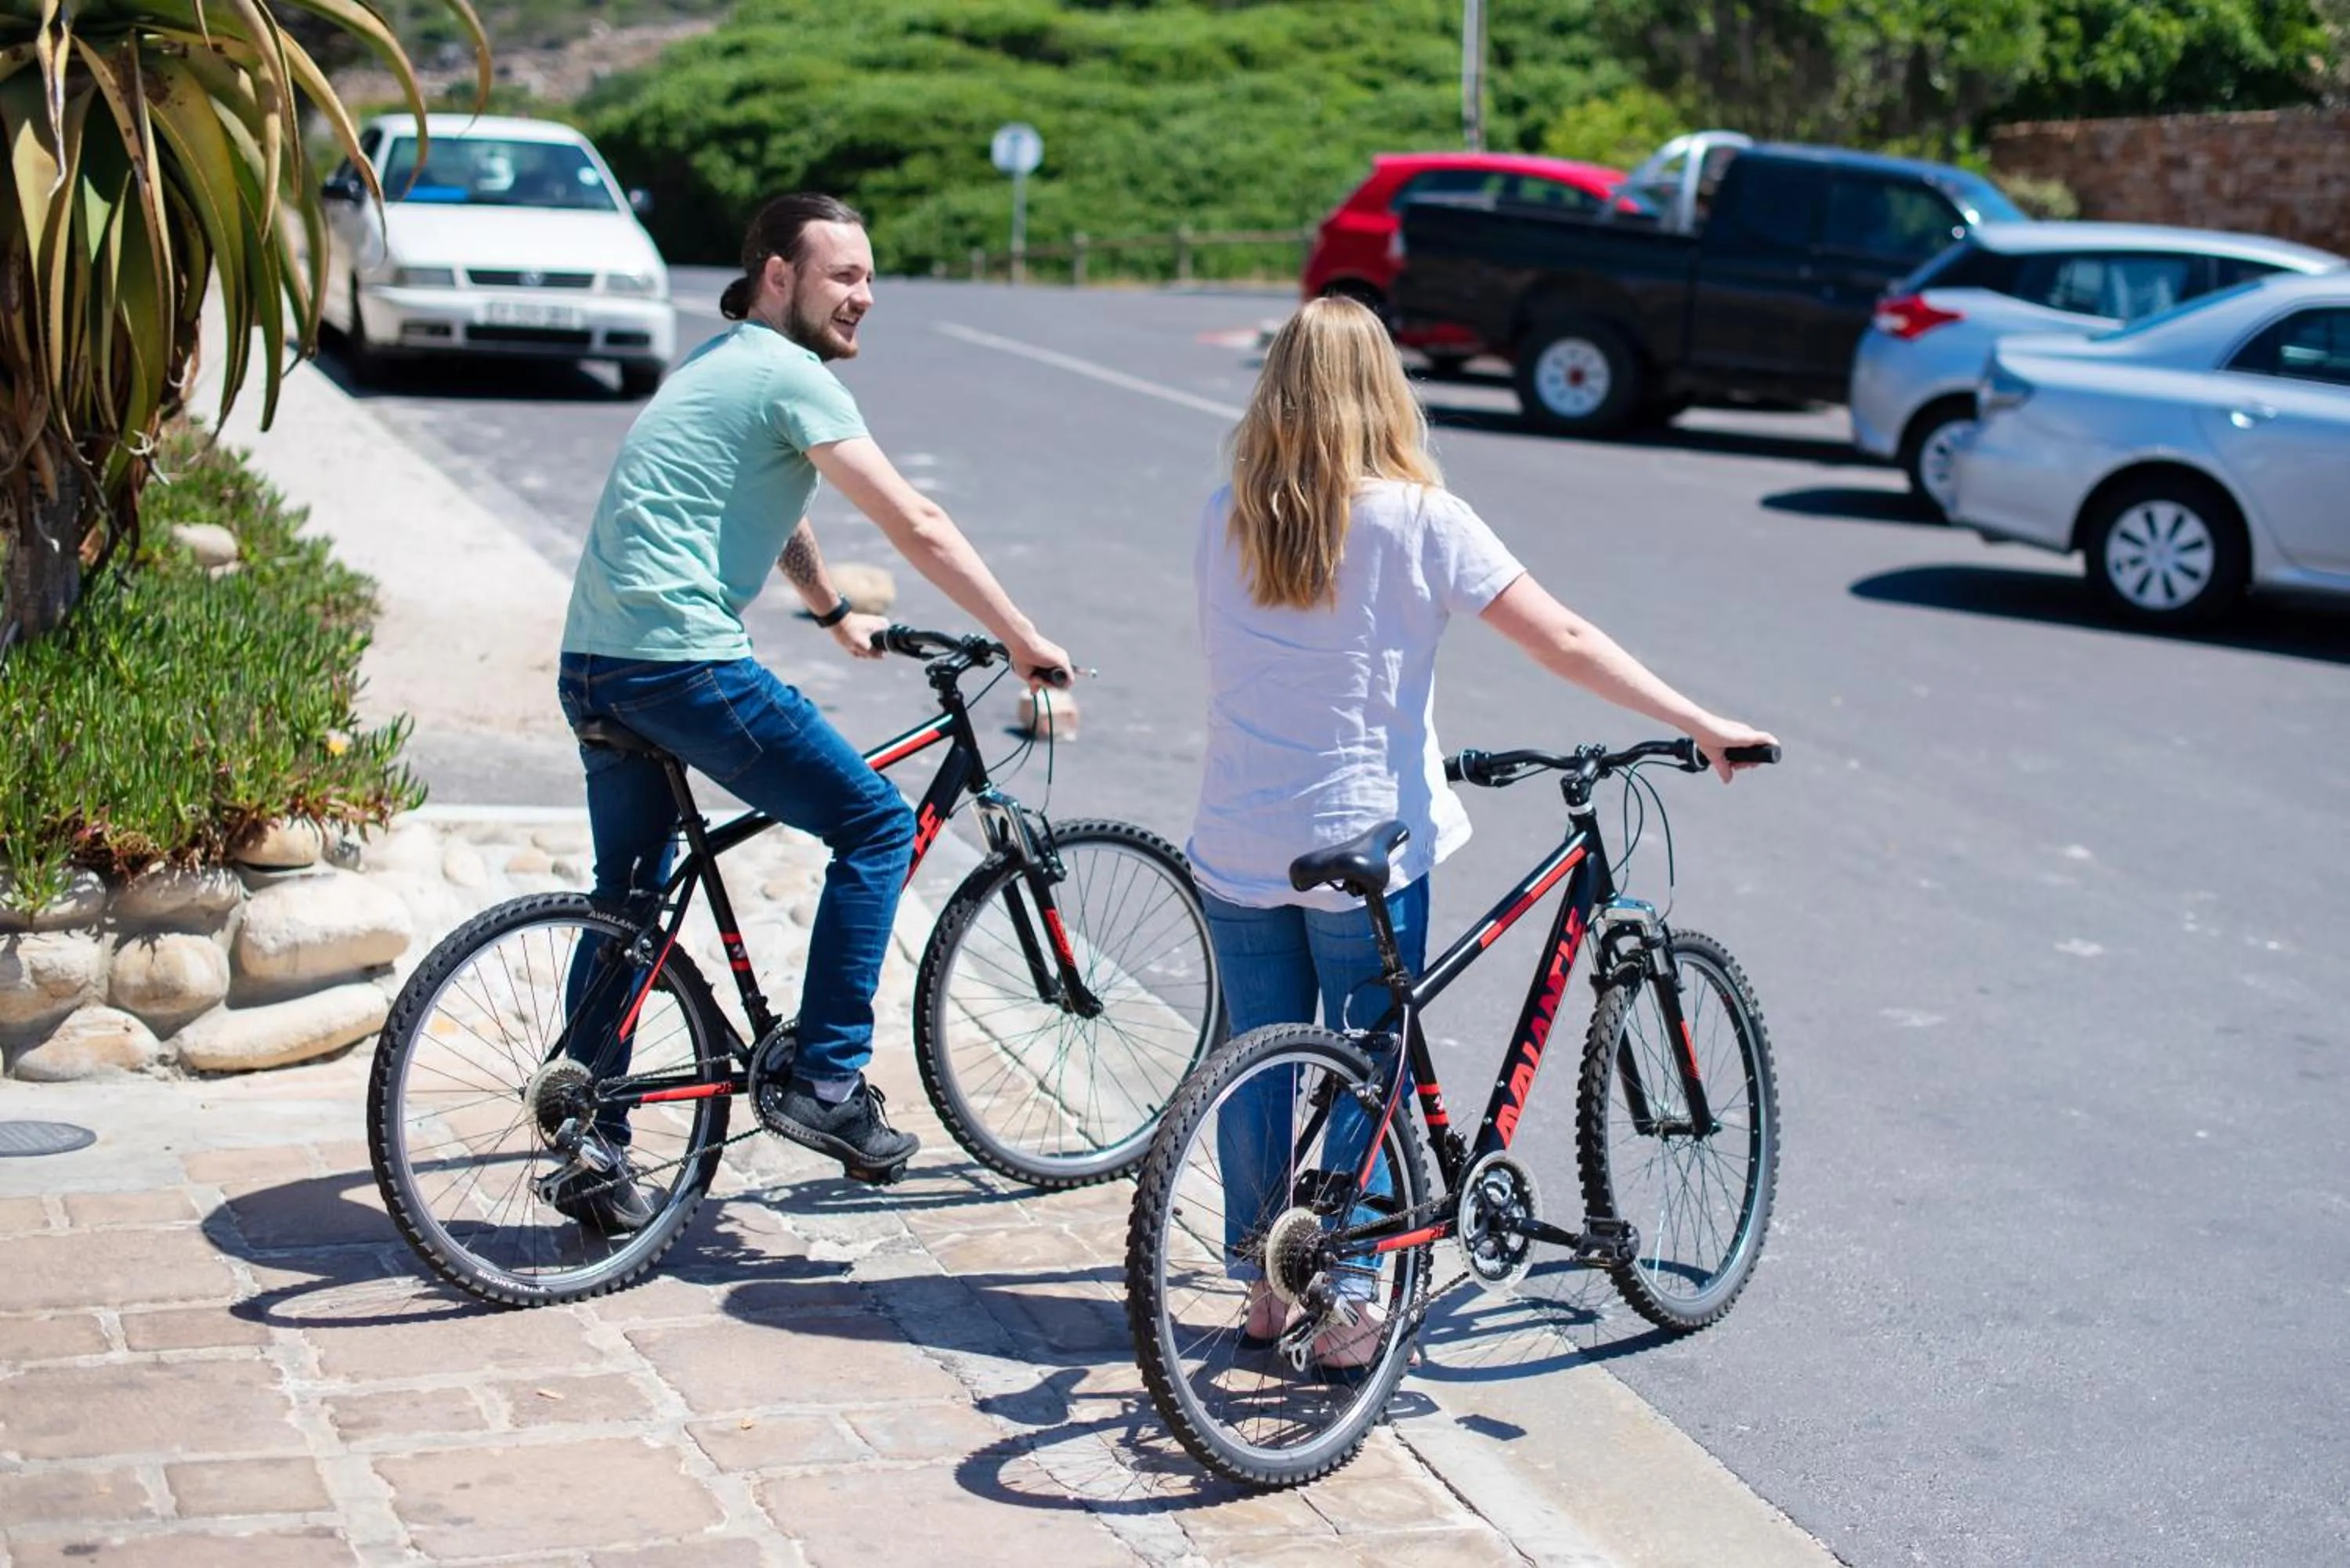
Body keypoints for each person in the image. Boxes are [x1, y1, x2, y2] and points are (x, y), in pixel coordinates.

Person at [1190, 296, 1777, 1366]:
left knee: (1255, 1066)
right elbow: (1556, 635)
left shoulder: (1229, 511)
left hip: (1235, 837)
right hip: (1362, 838)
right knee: (1372, 1057)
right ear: (1384, 389)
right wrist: (1697, 722)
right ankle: (1354, 1300)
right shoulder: (1420, 517)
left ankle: (1265, 1290)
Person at [554, 193, 1071, 1230]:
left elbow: (771, 505)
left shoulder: (721, 365)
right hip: (684, 664)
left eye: (870, 278)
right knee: (878, 822)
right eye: (844, 276)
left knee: (630, 899)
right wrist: (1021, 635)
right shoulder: (790, 375)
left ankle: (585, 1131)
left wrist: (831, 610)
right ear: (779, 277)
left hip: (597, 661)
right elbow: (916, 520)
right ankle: (827, 1084)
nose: (865, 297)